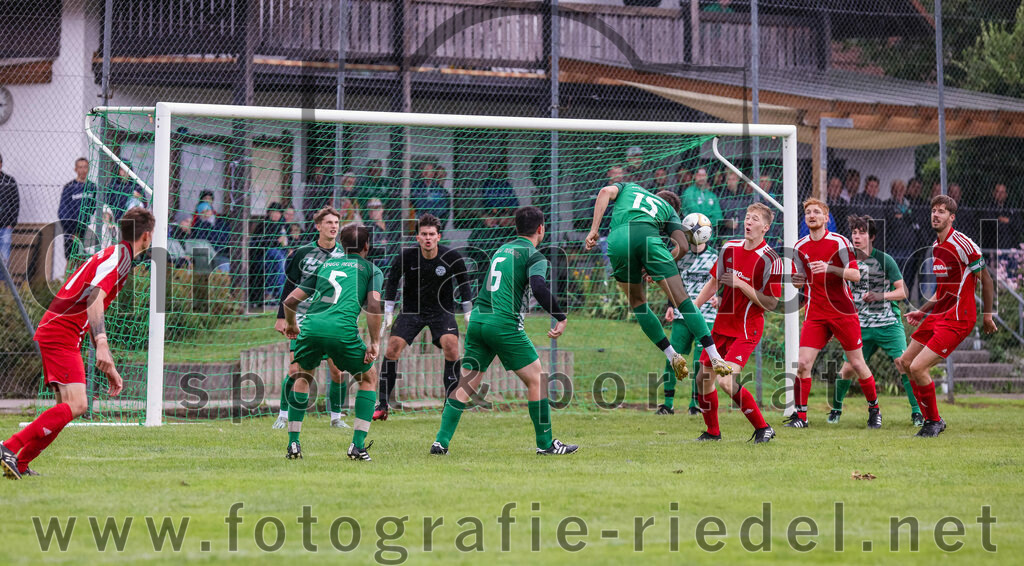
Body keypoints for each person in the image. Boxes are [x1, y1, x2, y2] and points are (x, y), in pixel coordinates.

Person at [1, 207, 154, 479]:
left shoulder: (115, 256)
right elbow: (94, 298)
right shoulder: (120, 258)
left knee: (67, 407)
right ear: (146, 235)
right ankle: (8, 447)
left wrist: (108, 364)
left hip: (64, 332)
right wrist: (103, 343)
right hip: (61, 332)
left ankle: (20, 464)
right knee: (79, 405)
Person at [431, 206, 577, 456]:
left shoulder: (502, 250)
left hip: (478, 321)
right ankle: (545, 444)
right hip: (503, 325)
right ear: (541, 229)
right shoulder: (534, 256)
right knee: (537, 380)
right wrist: (560, 317)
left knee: (466, 383)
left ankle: (440, 441)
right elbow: (539, 287)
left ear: (516, 227)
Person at [585, 180, 732, 381]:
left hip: (618, 240)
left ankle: (671, 354)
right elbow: (683, 247)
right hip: (649, 242)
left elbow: (603, 191)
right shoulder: (668, 210)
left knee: (638, 304)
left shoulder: (629, 187)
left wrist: (594, 230)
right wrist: (659, 266)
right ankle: (715, 355)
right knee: (683, 300)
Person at [895, 195, 997, 437]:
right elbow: (943, 291)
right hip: (939, 314)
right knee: (904, 363)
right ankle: (934, 418)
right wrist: (923, 311)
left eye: (942, 211)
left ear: (952, 217)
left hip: (959, 318)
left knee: (919, 367)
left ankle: (932, 422)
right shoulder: (936, 246)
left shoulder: (964, 245)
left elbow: (987, 281)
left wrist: (988, 315)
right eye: (933, 210)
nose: (935, 214)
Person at [281, 223, 384, 461]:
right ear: (367, 246)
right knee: (368, 378)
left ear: (342, 245)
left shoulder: (326, 265)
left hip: (311, 328)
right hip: (341, 331)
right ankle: (357, 446)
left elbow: (289, 301)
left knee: (304, 376)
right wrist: (375, 342)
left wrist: (291, 324)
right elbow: (374, 306)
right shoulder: (371, 269)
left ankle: (293, 444)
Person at [691, 203, 782, 443]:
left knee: (725, 380)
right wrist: (693, 308)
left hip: (746, 329)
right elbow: (714, 282)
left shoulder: (770, 259)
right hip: (721, 327)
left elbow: (771, 303)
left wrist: (741, 284)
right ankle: (713, 433)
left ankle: (764, 428)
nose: (748, 222)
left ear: (765, 227)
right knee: (702, 379)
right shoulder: (729, 248)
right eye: (747, 217)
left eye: (754, 219)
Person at [789, 198, 882, 429]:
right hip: (816, 313)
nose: (812, 215)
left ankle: (874, 410)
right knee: (802, 363)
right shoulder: (800, 246)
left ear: (826, 217)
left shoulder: (839, 242)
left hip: (842, 312)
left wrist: (829, 267)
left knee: (857, 364)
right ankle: (801, 417)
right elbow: (798, 283)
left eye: (817, 212)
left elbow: (856, 275)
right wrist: (796, 281)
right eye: (808, 212)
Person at [375, 214, 475, 420]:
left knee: (452, 346)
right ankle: (382, 404)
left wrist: (468, 313)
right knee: (392, 347)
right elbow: (392, 281)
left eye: (431, 234)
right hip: (412, 310)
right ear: (417, 238)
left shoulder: (452, 257)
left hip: (442, 311)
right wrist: (388, 313)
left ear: (438, 236)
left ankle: (450, 403)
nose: (428, 238)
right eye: (423, 234)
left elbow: (464, 283)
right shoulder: (406, 256)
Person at [830, 216, 923, 427]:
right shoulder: (846, 261)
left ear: (871, 237)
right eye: (854, 232)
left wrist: (880, 296)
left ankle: (917, 412)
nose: (857, 236)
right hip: (859, 325)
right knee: (847, 370)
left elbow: (902, 291)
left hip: (888, 324)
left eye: (862, 232)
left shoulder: (885, 260)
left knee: (903, 364)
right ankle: (836, 409)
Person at [272, 207, 350, 430]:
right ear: (318, 226)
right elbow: (290, 284)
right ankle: (283, 415)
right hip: (303, 320)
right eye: (329, 223)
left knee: (337, 369)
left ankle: (336, 417)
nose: (334, 226)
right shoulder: (303, 252)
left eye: (336, 222)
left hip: (333, 319)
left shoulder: (344, 255)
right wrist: (281, 317)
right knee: (296, 370)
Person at [654, 242, 719, 416]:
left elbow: (723, 282)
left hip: (706, 318)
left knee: (701, 363)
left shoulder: (715, 256)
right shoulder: (680, 256)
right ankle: (668, 404)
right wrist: (670, 305)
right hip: (681, 316)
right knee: (672, 358)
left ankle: (695, 404)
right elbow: (672, 283)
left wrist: (718, 297)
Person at [58, 157, 97, 261]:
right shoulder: (69, 187)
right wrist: (73, 231)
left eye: (85, 167)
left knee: (86, 261)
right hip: (72, 232)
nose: (83, 170)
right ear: (75, 169)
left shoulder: (92, 187)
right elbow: (63, 211)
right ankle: (69, 278)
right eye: (80, 167)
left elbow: (94, 209)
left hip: (87, 231)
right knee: (71, 260)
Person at [411, 162, 451, 227]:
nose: (426, 174)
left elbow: (443, 207)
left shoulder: (438, 188)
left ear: (433, 174)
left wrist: (429, 207)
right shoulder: (416, 186)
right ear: (422, 174)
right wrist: (433, 205)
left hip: (435, 221)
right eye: (425, 171)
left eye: (429, 172)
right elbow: (419, 204)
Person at [0, 153, 20, 266]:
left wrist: (11, 223)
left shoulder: (9, 181)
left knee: (4, 257)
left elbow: (15, 203)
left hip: (5, 226)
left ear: (1, 164)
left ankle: (3, 282)